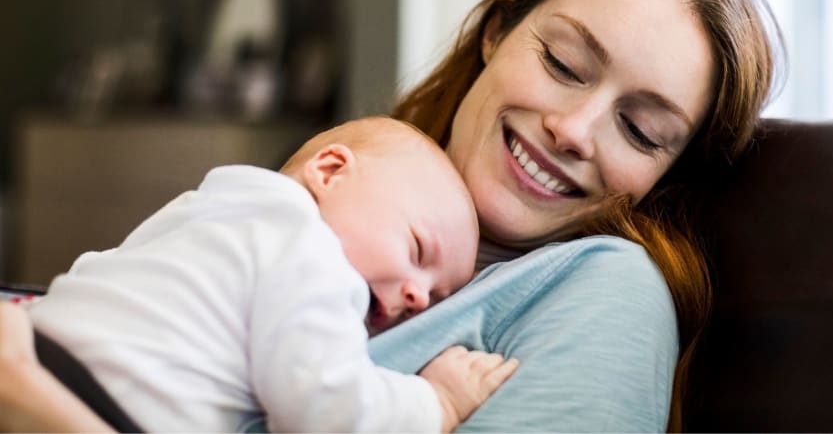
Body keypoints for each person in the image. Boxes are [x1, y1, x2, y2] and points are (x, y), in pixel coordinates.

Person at [0, 0, 779, 432]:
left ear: (667, 174)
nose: (574, 131)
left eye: (642, 130)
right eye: (563, 63)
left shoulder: (606, 290)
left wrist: (37, 404)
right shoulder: (325, 207)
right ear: (497, 32)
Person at [16, 117, 519, 432]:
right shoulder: (311, 251)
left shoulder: (213, 206)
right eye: (416, 248)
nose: (416, 294)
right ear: (329, 171)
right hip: (106, 403)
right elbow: (328, 412)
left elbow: (98, 268)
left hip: (42, 346)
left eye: (435, 296)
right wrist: (438, 401)